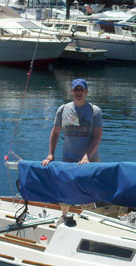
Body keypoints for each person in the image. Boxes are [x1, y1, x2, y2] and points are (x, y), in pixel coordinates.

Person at [41, 78, 102, 226]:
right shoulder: (63, 109)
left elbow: (97, 136)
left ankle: (89, 222)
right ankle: (64, 217)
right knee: (64, 191)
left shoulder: (94, 111)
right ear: (72, 92)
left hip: (89, 160)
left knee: (87, 193)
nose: (78, 93)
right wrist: (50, 154)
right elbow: (55, 133)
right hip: (68, 159)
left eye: (81, 90)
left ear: (86, 92)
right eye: (76, 90)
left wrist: (87, 156)